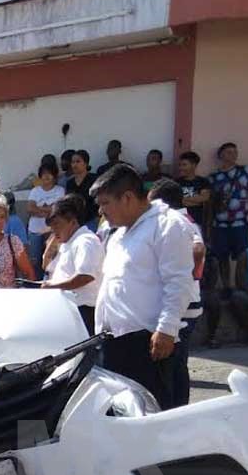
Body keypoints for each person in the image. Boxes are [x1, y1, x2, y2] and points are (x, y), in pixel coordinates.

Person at [90, 164, 194, 410]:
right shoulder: (119, 235)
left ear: (126, 198)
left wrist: (166, 330)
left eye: (105, 203)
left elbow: (178, 282)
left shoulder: (168, 225)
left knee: (154, 414)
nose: (101, 211)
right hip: (115, 342)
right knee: (123, 416)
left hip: (148, 342)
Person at [149, 178, 207, 406]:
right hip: (186, 302)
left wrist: (185, 273)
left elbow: (197, 249)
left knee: (174, 364)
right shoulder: (183, 220)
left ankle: (177, 408)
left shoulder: (179, 221)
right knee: (177, 364)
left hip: (185, 305)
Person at [208, 142, 248, 311]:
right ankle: (226, 286)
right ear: (221, 155)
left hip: (240, 222)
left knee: (241, 256)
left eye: (235, 152)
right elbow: (210, 204)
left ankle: (240, 286)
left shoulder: (246, 171)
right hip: (220, 223)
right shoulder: (213, 177)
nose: (233, 155)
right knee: (222, 256)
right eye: (229, 152)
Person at [41, 194, 104, 331]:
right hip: (67, 310)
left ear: (72, 221)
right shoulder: (67, 243)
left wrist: (52, 287)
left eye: (57, 224)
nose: (54, 230)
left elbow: (85, 276)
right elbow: (47, 268)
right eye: (52, 227)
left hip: (84, 311)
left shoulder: (85, 241)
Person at [27, 161, 66, 280]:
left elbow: (57, 209)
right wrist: (48, 210)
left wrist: (39, 209)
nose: (46, 176)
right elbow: (30, 209)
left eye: (49, 174)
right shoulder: (35, 191)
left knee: (51, 258)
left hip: (52, 230)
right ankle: (37, 283)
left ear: (54, 176)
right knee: (35, 259)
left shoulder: (60, 190)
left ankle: (49, 282)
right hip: (35, 230)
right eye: (43, 174)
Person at [176, 151, 213, 235]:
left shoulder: (203, 181)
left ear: (194, 165)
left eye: (184, 165)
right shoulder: (176, 182)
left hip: (197, 222)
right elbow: (175, 200)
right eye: (180, 165)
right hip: (179, 222)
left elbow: (204, 198)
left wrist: (184, 198)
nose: (181, 168)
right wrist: (196, 200)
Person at [65, 150, 98, 226]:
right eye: (73, 162)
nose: (75, 165)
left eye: (78, 161)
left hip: (92, 219)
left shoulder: (94, 179)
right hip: (74, 221)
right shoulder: (70, 183)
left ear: (85, 163)